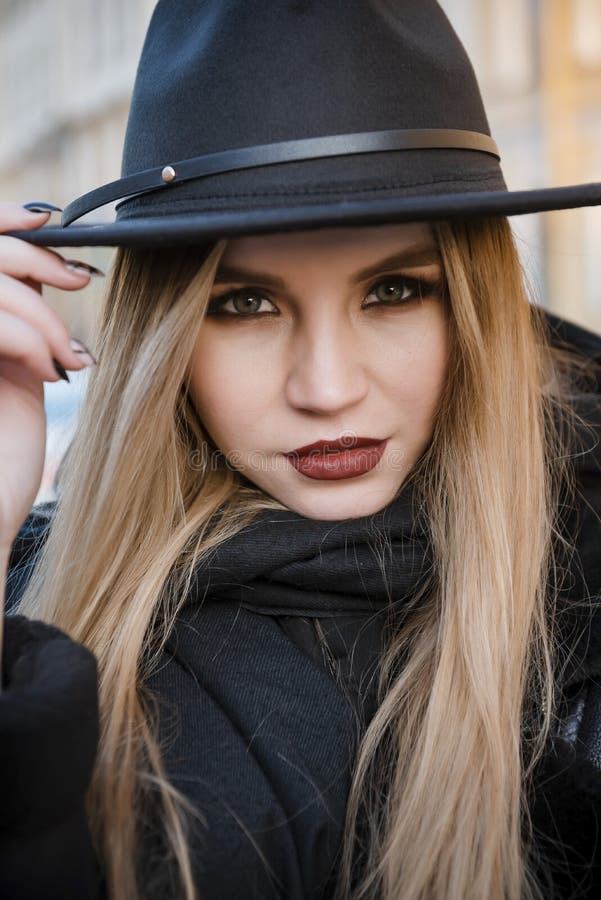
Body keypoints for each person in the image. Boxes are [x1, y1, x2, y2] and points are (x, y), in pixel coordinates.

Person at [1, 2, 601, 899]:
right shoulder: (41, 616)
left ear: (472, 310)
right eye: (244, 303)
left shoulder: (582, 580)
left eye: (393, 289)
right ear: (165, 340)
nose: (325, 389)